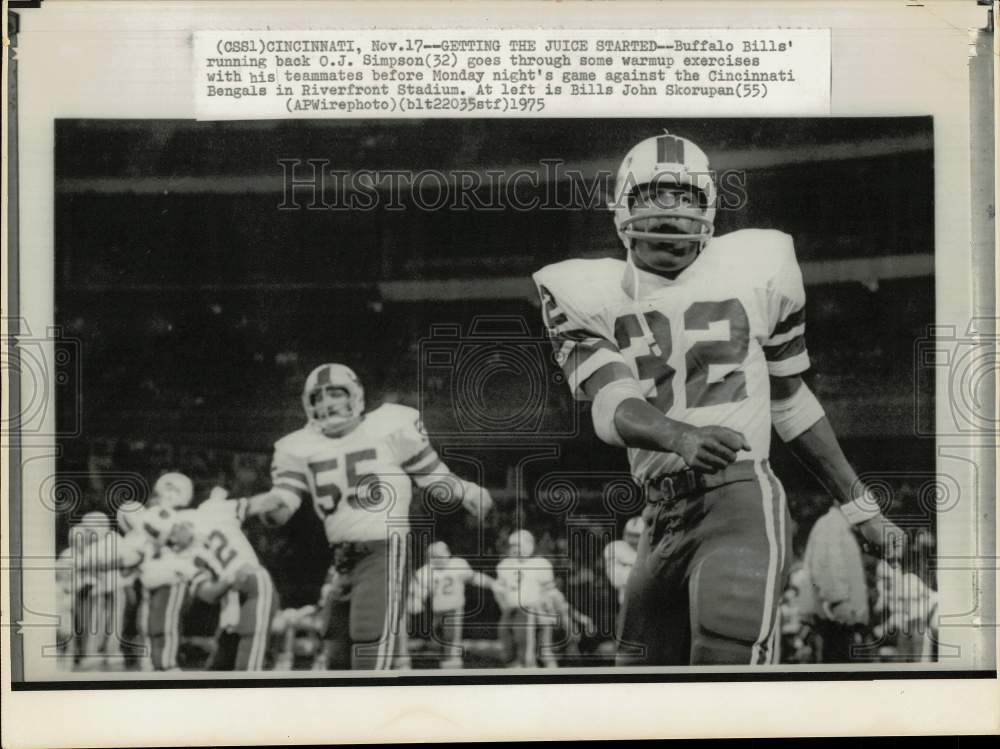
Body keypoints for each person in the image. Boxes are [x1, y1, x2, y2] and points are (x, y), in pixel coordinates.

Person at [532, 132, 905, 666]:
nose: (671, 212)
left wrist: (859, 505)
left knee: (726, 670)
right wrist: (678, 435)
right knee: (636, 689)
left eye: (685, 197)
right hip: (657, 517)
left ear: (708, 207)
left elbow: (790, 401)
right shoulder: (582, 291)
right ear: (622, 205)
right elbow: (612, 405)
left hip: (739, 501)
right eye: (653, 195)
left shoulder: (760, 264)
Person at [243, 363, 493, 670]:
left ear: (356, 394)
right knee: (335, 645)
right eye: (318, 397)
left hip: (383, 547)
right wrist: (257, 506)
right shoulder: (297, 446)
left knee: (369, 635)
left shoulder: (389, 426)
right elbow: (283, 507)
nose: (327, 403)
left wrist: (466, 491)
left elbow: (431, 476)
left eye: (335, 393)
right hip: (340, 557)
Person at [410, 541, 497, 668]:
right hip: (437, 610)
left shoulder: (457, 565)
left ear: (448, 554)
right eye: (434, 557)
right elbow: (418, 590)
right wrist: (416, 600)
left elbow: (474, 578)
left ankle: (452, 662)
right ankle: (445, 658)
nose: (438, 560)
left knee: (451, 635)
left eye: (441, 556)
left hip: (454, 607)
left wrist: (493, 583)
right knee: (437, 637)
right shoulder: (425, 571)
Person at [494, 529, 558, 667]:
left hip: (535, 610)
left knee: (542, 652)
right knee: (509, 651)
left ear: (530, 546)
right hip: (512, 611)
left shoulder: (541, 564)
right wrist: (504, 606)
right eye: (512, 545)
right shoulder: (504, 565)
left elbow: (550, 592)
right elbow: (498, 590)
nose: (515, 549)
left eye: (519, 545)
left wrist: (550, 612)